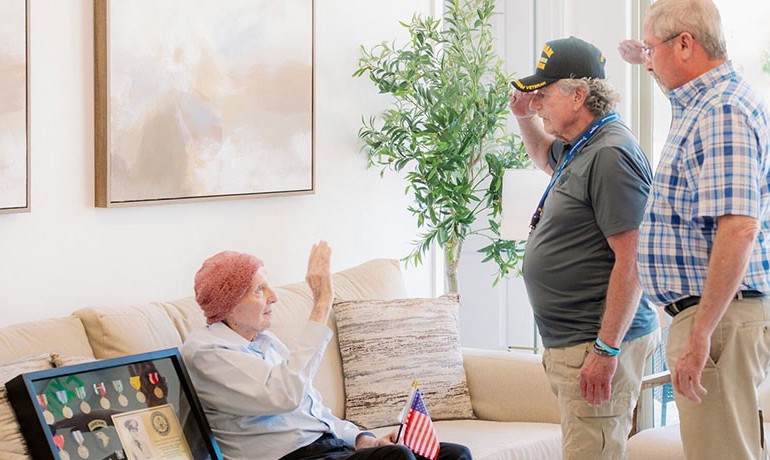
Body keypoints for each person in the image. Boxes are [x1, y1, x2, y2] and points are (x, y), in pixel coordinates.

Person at [618, 1, 770, 458]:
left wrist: (702, 332)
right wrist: (644, 58)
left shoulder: (722, 110)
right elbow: (672, 77)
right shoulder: (704, 101)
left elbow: (739, 228)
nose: (650, 58)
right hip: (712, 314)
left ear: (685, 43)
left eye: (653, 48)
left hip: (717, 317)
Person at [509, 36, 659, 459]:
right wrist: (524, 116)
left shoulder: (611, 153)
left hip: (595, 340)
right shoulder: (583, 143)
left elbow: (633, 260)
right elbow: (543, 156)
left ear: (578, 95)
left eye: (544, 94)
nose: (536, 102)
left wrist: (606, 349)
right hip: (574, 339)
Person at [181, 241, 471, 460]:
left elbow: (314, 409)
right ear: (228, 305)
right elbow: (285, 396)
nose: (274, 296)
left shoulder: (264, 342)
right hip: (293, 458)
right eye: (259, 290)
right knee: (398, 459)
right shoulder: (208, 353)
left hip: (331, 447)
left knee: (453, 454)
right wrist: (321, 304)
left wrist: (362, 439)